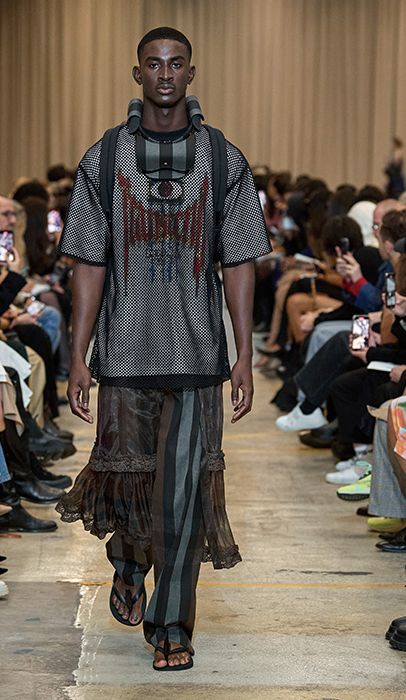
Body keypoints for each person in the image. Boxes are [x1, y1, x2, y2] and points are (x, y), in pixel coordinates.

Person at [57, 27, 270, 671]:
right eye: (154, 64)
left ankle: (173, 623)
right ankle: (127, 563)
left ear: (191, 73)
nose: (166, 74)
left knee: (181, 496)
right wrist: (77, 355)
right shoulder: (104, 158)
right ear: (138, 73)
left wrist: (243, 353)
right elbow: (88, 261)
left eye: (176, 64)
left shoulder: (223, 158)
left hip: (196, 357)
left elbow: (240, 260)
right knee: (127, 478)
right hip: (124, 353)